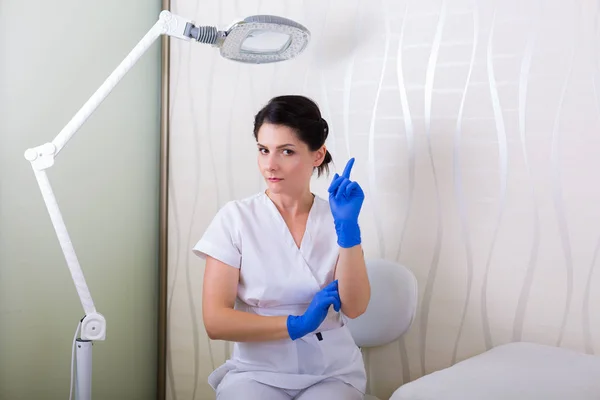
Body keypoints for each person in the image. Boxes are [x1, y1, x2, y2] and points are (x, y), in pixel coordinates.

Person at [193, 95, 371, 399]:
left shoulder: (336, 218)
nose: (270, 165)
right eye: (264, 150)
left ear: (317, 155)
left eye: (286, 151)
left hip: (331, 372)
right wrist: (296, 325)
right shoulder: (235, 218)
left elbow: (355, 307)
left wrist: (349, 231)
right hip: (256, 372)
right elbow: (215, 320)